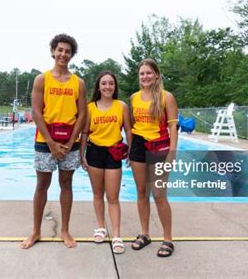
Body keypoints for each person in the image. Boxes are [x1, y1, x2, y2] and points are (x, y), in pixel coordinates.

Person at [21, 34, 86, 249]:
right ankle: (35, 231)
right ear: (53, 51)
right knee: (42, 185)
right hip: (45, 141)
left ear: (72, 55)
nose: (63, 54)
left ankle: (65, 230)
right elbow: (37, 112)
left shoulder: (79, 83)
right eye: (60, 50)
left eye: (67, 51)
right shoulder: (42, 79)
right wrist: (50, 142)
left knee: (66, 184)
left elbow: (82, 115)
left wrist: (70, 141)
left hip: (70, 143)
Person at [128, 58, 178, 257]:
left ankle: (168, 239)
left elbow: (173, 127)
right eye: (142, 73)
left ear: (156, 75)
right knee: (141, 192)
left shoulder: (167, 97)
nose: (145, 76)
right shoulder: (134, 98)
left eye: (149, 73)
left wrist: (171, 156)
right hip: (139, 147)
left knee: (158, 195)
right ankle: (145, 233)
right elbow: (133, 125)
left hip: (159, 148)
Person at [80, 71, 132, 254]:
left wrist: (131, 151)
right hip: (94, 151)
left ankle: (117, 235)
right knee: (97, 194)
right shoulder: (90, 107)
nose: (108, 87)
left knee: (112, 197)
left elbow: (128, 129)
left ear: (115, 86)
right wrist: (82, 154)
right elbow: (85, 133)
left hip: (113, 152)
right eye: (104, 83)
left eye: (111, 83)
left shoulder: (122, 106)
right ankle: (101, 227)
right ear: (99, 87)